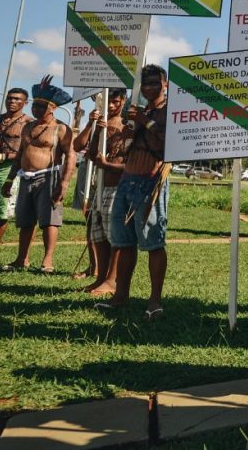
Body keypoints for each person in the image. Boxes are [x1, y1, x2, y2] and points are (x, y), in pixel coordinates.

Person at [95, 65, 169, 319]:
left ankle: (155, 300)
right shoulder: (141, 110)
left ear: (165, 84)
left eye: (154, 83)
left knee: (153, 242)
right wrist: (129, 132)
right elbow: (127, 147)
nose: (148, 88)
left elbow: (169, 143)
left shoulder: (168, 111)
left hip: (151, 180)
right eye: (145, 84)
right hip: (127, 179)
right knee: (124, 242)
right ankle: (120, 294)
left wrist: (144, 122)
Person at [1, 77, 75, 273]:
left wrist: (64, 183)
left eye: (42, 106)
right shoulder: (28, 126)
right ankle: (21, 259)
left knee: (49, 220)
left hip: (49, 177)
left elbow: (71, 156)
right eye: (35, 106)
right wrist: (10, 179)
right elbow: (19, 155)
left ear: (52, 108)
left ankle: (47, 261)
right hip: (25, 177)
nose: (37, 110)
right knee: (25, 221)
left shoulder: (60, 128)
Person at [72, 89, 127, 295]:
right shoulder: (100, 123)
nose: (111, 106)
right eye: (108, 102)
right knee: (98, 234)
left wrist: (108, 165)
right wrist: (95, 128)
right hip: (99, 186)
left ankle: (112, 281)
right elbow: (90, 152)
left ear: (122, 100)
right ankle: (101, 276)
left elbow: (127, 160)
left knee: (115, 236)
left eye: (115, 102)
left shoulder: (127, 126)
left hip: (117, 187)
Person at [0, 88, 32, 264]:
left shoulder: (28, 123)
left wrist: (4, 156)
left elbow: (26, 151)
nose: (12, 101)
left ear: (25, 103)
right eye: (9, 98)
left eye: (17, 99)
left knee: (1, 212)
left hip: (9, 168)